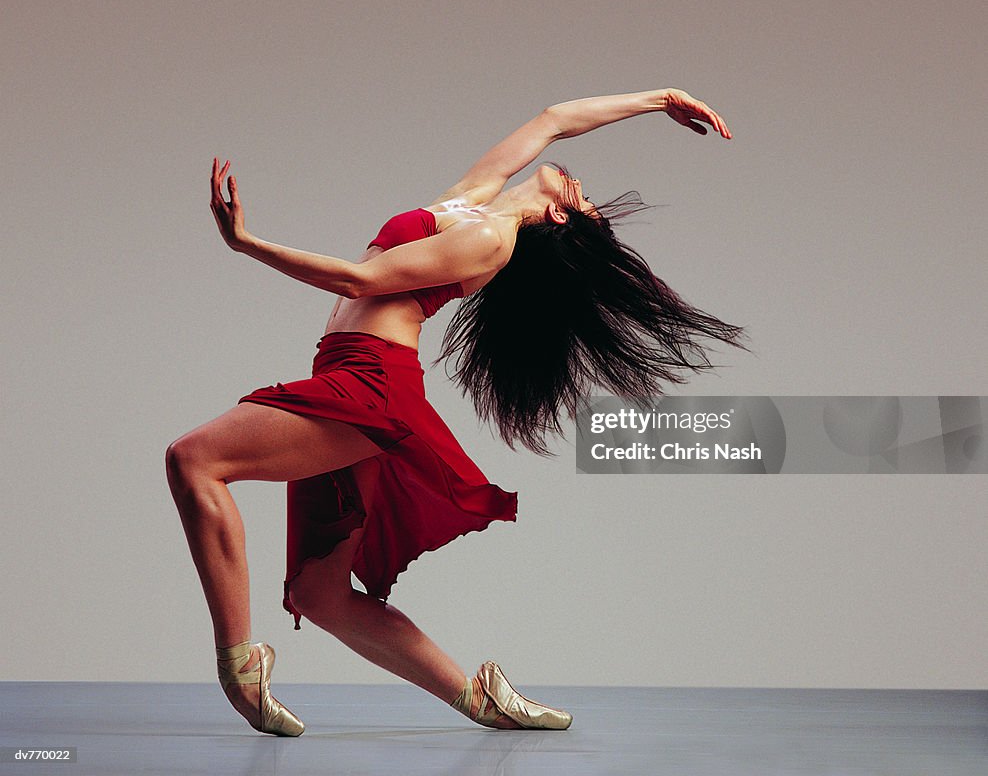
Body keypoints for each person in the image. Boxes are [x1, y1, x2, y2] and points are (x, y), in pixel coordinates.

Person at [165, 87, 746, 736]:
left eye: (580, 201)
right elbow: (554, 120)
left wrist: (246, 243)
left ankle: (238, 666)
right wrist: (659, 97)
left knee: (194, 461)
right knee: (320, 597)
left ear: (557, 220)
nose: (580, 186)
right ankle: (481, 699)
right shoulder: (471, 200)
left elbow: (361, 281)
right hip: (348, 374)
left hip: (371, 386)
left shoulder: (490, 240)